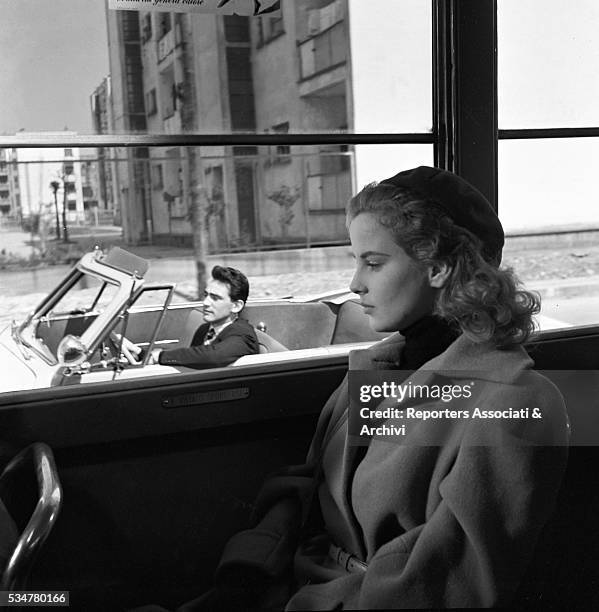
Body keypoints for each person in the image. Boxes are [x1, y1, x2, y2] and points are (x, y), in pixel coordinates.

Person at [141, 166, 570, 610]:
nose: (354, 284)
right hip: (287, 585)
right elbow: (309, 488)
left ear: (438, 266)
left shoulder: (518, 402)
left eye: (374, 262)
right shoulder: (378, 365)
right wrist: (250, 570)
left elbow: (445, 586)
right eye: (356, 261)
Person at [123, 265, 259, 370]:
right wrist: (140, 353)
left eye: (215, 298)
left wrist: (160, 356)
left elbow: (213, 356)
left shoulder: (243, 335)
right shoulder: (204, 329)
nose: (206, 302)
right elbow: (191, 361)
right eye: (206, 295)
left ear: (236, 306)